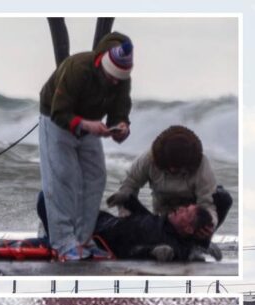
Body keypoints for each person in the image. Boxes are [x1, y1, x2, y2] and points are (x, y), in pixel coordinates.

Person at [39, 31, 133, 261]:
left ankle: (82, 239)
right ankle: (63, 242)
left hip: (90, 124)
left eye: (119, 78)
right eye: (111, 75)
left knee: (96, 176)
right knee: (63, 176)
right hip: (56, 119)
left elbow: (119, 113)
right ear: (102, 61)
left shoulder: (121, 81)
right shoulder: (78, 68)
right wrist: (86, 125)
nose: (114, 81)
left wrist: (121, 128)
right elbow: (59, 112)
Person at [106, 125, 233, 249]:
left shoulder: (201, 166)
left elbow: (207, 205)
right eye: (169, 165)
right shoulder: (149, 159)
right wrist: (125, 214)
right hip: (161, 218)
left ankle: (199, 245)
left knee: (223, 197)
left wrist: (208, 227)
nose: (172, 169)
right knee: (125, 198)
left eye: (177, 167)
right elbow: (129, 185)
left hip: (191, 220)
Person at [37, 192, 219, 262]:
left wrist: (151, 252)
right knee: (59, 190)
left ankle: (51, 240)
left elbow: (131, 251)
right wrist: (129, 200)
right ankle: (50, 234)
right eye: (184, 206)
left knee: (45, 198)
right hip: (100, 219)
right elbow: (145, 217)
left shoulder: (170, 244)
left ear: (188, 229)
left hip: (95, 235)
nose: (180, 208)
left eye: (186, 211)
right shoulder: (165, 223)